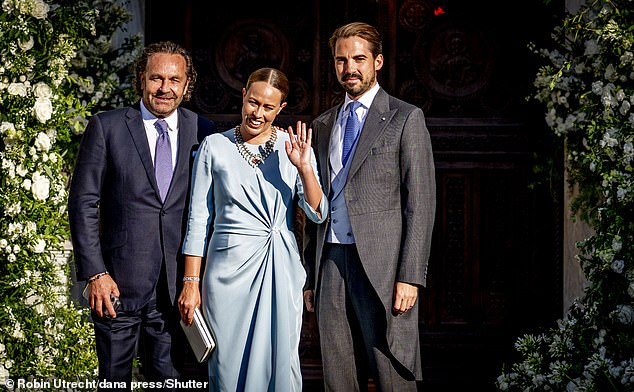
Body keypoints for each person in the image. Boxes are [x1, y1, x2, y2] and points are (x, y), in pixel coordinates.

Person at [68, 41, 216, 389]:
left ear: (186, 84)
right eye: (156, 78)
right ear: (141, 79)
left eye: (174, 80)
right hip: (115, 286)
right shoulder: (107, 127)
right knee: (114, 382)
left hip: (177, 291)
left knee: (168, 381)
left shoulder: (204, 131)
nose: (165, 88)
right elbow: (83, 202)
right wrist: (94, 273)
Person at [303, 22, 436, 391]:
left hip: (383, 266)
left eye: (359, 59)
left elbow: (420, 204)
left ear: (377, 61)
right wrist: (310, 277)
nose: (350, 68)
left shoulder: (405, 118)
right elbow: (316, 207)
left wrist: (410, 275)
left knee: (392, 370)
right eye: (341, 60)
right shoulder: (323, 124)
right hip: (330, 261)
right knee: (338, 373)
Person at [177, 67, 327, 391]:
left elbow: (318, 213)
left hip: (280, 270)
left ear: (281, 109)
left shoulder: (295, 148)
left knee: (280, 366)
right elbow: (198, 220)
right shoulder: (213, 147)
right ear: (243, 95)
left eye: (268, 107)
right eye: (253, 102)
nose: (257, 113)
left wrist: (304, 168)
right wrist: (190, 283)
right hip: (225, 276)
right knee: (227, 371)